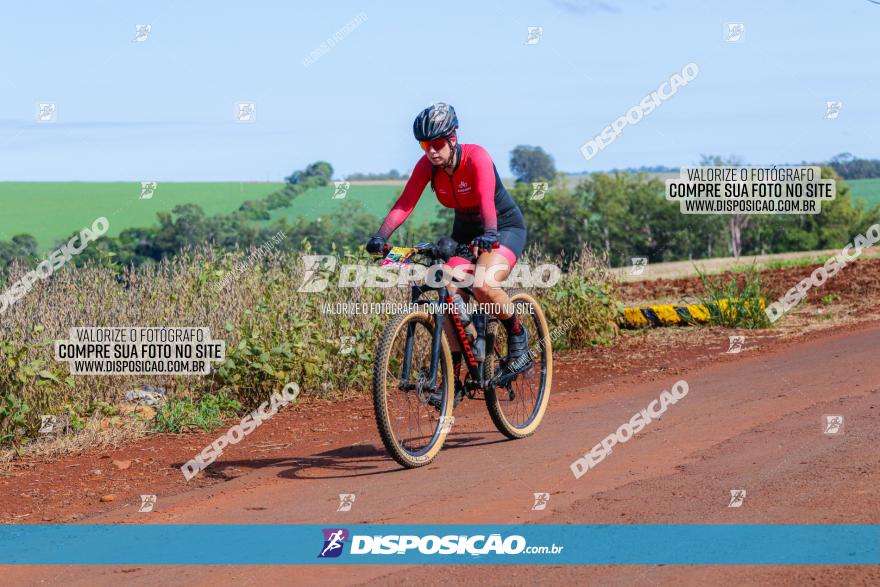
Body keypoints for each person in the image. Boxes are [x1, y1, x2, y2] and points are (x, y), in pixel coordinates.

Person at [365, 102, 530, 390]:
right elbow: (405, 204)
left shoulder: (476, 157)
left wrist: (490, 233)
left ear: (453, 139)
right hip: (466, 233)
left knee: (482, 285)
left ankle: (518, 339)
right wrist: (381, 237)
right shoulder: (428, 167)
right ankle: (456, 371)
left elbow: (486, 201)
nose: (431, 151)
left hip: (501, 227)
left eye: (437, 144)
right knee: (447, 293)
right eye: (425, 145)